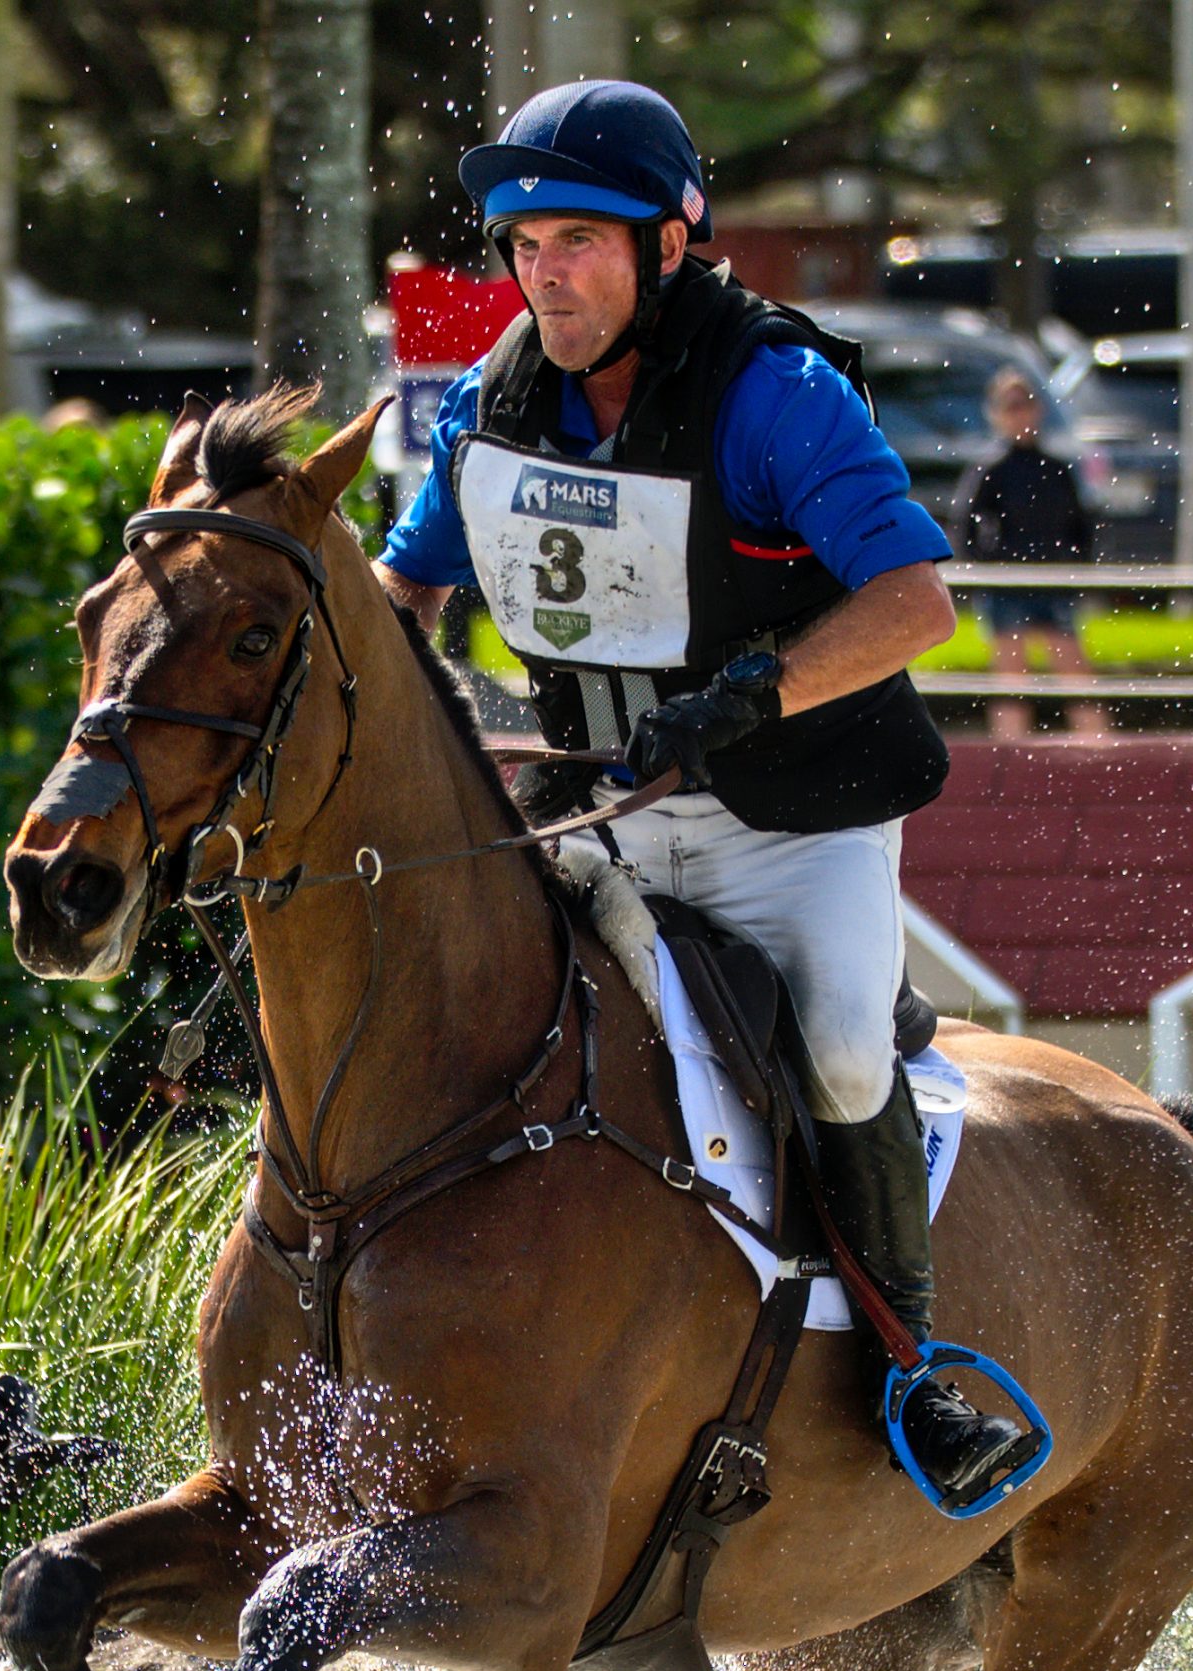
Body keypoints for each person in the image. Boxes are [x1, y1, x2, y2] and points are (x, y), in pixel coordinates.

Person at [375, 78, 1036, 1509]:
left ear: (670, 244)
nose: (543, 273)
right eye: (524, 245)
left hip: (791, 825)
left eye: (578, 242)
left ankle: (917, 1371)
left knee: (848, 1055)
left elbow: (920, 602)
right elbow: (406, 588)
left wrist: (751, 691)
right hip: (601, 822)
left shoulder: (773, 392)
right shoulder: (492, 404)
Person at [952, 368, 1106, 739]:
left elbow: (1081, 524)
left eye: (1027, 404)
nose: (1020, 414)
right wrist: (987, 567)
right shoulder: (991, 468)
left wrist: (1076, 567)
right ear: (996, 413)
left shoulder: (1055, 468)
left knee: (1073, 667)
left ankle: (1099, 748)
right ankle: (1009, 753)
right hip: (1009, 582)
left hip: (1052, 578)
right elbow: (965, 524)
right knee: (1010, 672)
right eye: (1011, 406)